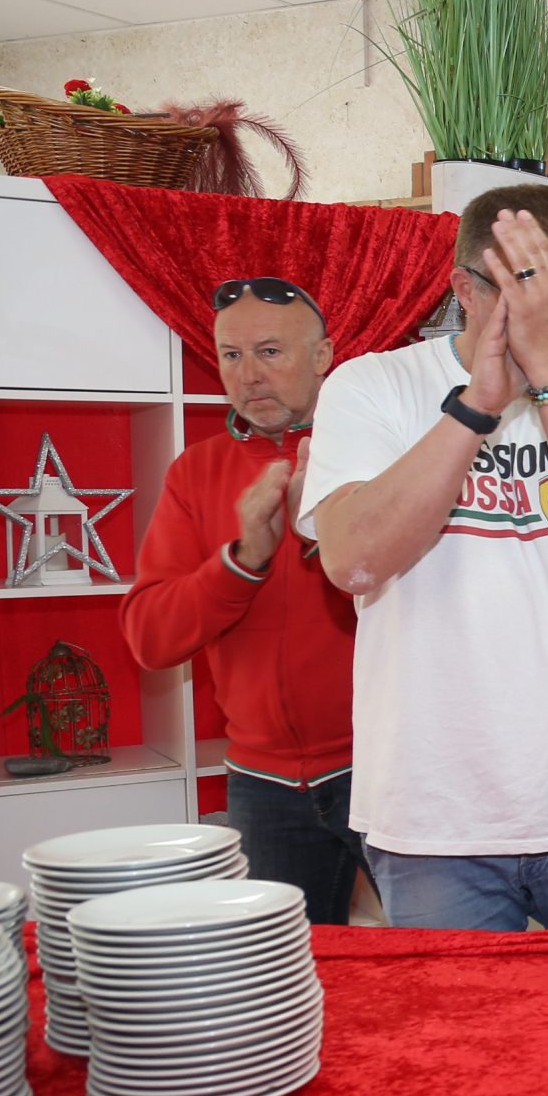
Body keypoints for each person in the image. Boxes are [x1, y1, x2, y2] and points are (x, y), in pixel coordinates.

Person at [302, 185, 548, 931]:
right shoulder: (373, 385)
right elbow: (352, 560)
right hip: (432, 819)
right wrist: (476, 406)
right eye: (538, 306)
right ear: (467, 291)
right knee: (453, 1014)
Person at [123, 277, 362, 923]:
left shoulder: (373, 452)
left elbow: (423, 607)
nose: (248, 374)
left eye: (270, 352)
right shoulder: (194, 472)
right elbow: (149, 637)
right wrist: (243, 560)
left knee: (432, 958)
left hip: (386, 768)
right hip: (263, 785)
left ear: (322, 356)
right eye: (231, 355)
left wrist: (322, 538)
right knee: (281, 969)